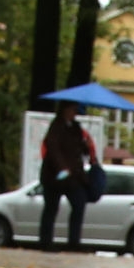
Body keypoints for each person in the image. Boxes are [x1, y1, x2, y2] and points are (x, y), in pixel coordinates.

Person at [36, 105, 97, 252]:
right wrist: (62, 167)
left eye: (75, 111)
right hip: (55, 176)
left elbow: (79, 149)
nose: (74, 113)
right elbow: (53, 147)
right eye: (72, 110)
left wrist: (86, 146)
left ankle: (74, 242)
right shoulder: (56, 126)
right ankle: (46, 242)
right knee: (51, 208)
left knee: (79, 204)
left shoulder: (76, 127)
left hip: (73, 177)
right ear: (65, 110)